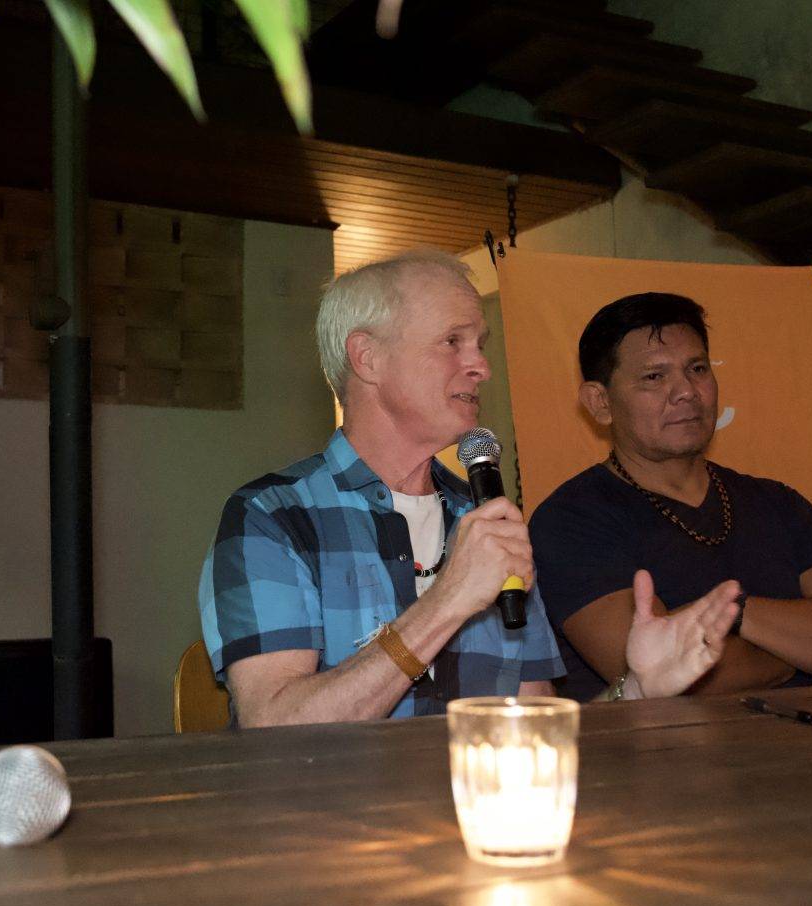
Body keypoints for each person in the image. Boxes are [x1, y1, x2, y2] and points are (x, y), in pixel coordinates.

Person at [198, 253, 742, 727]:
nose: (481, 366)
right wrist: (448, 600)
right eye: (452, 341)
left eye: (480, 345)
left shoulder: (487, 519)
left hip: (476, 809)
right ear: (367, 357)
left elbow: (529, 731)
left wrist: (638, 690)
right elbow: (273, 726)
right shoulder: (273, 516)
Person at [530, 292, 812, 701]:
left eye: (698, 369)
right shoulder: (571, 519)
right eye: (654, 377)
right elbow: (660, 676)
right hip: (665, 744)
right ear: (600, 403)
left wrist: (737, 611)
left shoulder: (777, 502)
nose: (686, 391)